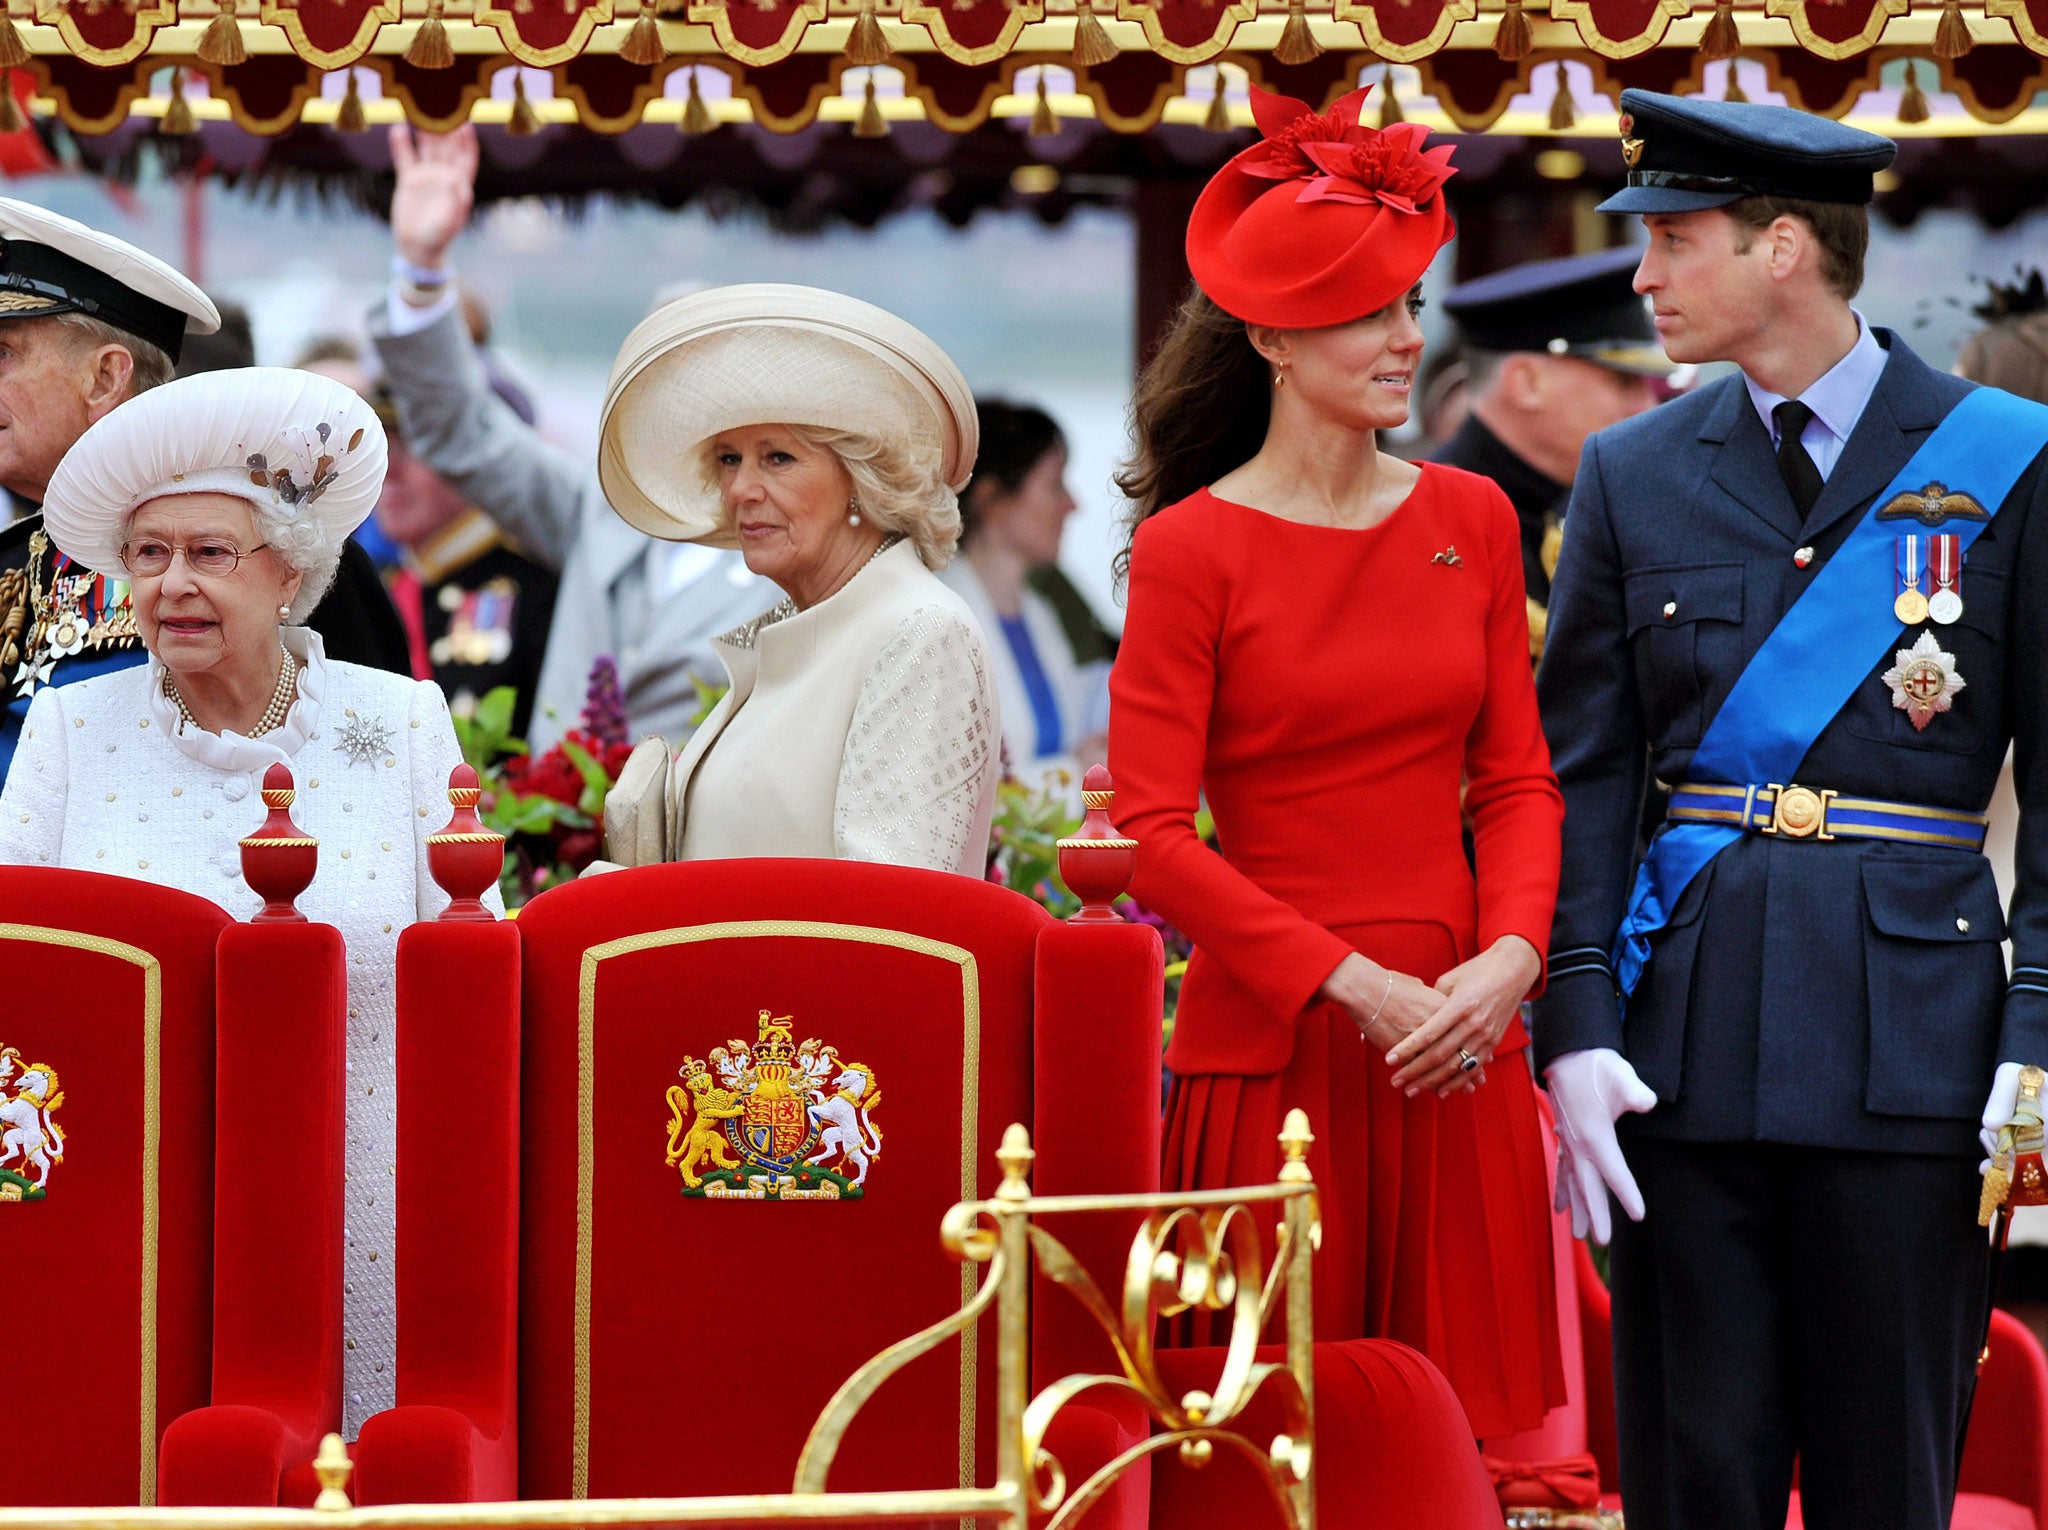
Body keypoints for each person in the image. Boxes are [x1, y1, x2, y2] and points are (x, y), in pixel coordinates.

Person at [1535, 91, 2048, 1530]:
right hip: (1679, 1053)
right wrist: (1574, 1025)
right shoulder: (1634, 471)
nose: (1643, 276)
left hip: (1915, 1053)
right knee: (1696, 1474)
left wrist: (2040, 1041)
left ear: (1782, 250)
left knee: (1892, 1471)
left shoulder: (2008, 457)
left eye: (1673, 240)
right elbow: (1581, 773)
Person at [1108, 82, 1567, 1441]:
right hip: (1283, 1039)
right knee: (1262, 1444)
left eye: (1409, 306)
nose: (1406, 339)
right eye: (1369, 311)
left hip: (1456, 1043)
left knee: (1457, 1450)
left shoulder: (1474, 516)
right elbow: (1145, 830)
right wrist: (1351, 980)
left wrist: (1509, 963)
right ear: (1269, 336)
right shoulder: (1193, 547)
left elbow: (1519, 783)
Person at [0, 366, 498, 1438]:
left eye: (210, 553)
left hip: (362, 1194)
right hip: (128, 1200)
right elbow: (18, 981)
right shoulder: (70, 733)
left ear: (291, 573)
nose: (172, 584)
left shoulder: (401, 722)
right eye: (149, 555)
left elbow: (473, 976)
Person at [370, 125, 773, 752]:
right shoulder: (599, 509)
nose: (677, 407)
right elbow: (461, 434)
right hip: (561, 848)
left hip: (716, 850)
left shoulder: (795, 549)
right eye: (654, 379)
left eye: (699, 382)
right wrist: (422, 271)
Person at [594, 283, 1000, 876]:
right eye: (729, 459)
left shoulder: (920, 633)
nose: (740, 489)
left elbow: (892, 916)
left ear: (863, 479)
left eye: (777, 457)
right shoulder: (800, 631)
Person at [0, 202, 413, 780]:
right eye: (149, 553)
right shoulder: (15, 566)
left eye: (4, 354)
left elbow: (374, 769)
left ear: (104, 377)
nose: (173, 578)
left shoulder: (291, 559)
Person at [1435, 246, 1669, 660]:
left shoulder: (1580, 505)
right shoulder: (1428, 518)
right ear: (1527, 383)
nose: (1646, 407)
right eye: (1622, 382)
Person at [937, 399, 1114, 795]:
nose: (1072, 505)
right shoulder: (939, 618)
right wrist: (1076, 771)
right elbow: (952, 792)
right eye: (1054, 486)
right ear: (991, 501)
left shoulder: (1042, 614)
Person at [371, 388, 560, 736]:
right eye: (381, 448)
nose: (389, 470)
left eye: (415, 446)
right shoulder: (379, 587)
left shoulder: (538, 586)